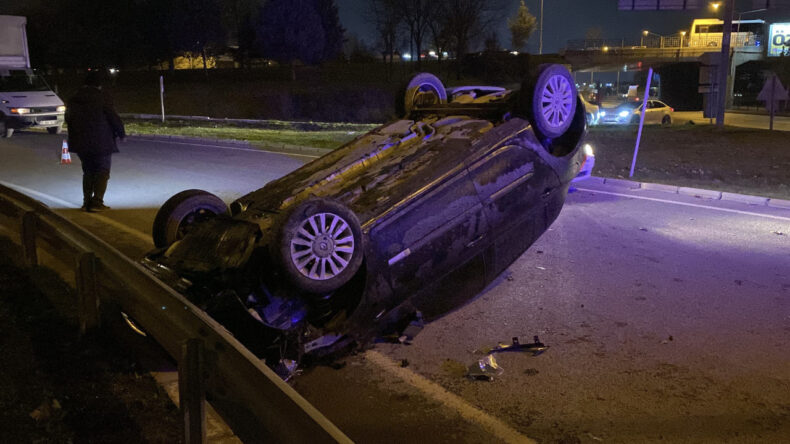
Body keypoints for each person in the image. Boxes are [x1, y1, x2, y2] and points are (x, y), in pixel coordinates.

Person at [65, 70, 125, 212]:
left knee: (88, 171)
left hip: (81, 142)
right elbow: (112, 116)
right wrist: (121, 133)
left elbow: (68, 119)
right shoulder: (102, 97)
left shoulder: (74, 99)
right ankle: (97, 202)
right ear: (99, 85)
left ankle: (86, 202)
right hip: (101, 141)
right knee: (102, 170)